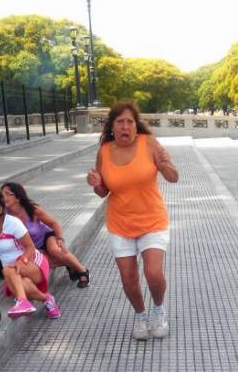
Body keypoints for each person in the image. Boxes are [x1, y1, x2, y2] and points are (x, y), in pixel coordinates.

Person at [87, 100, 178, 340]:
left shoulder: (148, 144)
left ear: (136, 126)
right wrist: (96, 184)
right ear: (112, 126)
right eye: (120, 122)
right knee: (128, 277)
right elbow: (103, 191)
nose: (126, 126)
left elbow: (173, 177)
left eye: (130, 121)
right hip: (120, 224)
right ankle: (140, 315)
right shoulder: (104, 151)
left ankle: (159, 310)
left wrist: (165, 163)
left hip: (152, 220)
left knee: (153, 273)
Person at [0, 189, 60, 319]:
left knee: (8, 269)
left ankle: (22, 301)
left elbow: (30, 248)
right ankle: (47, 299)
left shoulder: (13, 223)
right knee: (22, 282)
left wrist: (21, 261)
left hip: (32, 263)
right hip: (12, 273)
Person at [1, 182, 90, 288]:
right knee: (38, 262)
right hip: (31, 247)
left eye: (7, 194)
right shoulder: (4, 216)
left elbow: (53, 223)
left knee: (55, 250)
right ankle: (68, 263)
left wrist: (60, 239)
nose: (3, 197)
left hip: (46, 237)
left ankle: (82, 270)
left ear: (18, 197)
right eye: (1, 194)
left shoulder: (32, 209)